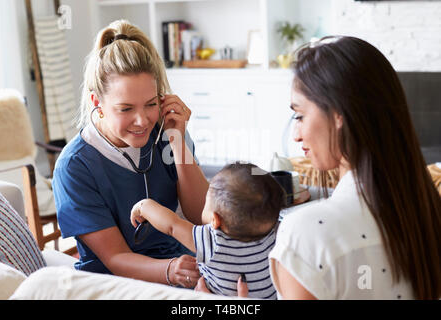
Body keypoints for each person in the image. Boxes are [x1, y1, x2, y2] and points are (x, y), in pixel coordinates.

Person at [267, 36, 441, 299]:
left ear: (339, 114)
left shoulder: (306, 234)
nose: (296, 134)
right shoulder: (428, 213)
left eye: (300, 115)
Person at [52, 20, 209, 288]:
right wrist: (171, 269)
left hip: (177, 269)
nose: (142, 121)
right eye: (125, 109)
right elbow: (115, 257)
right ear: (97, 104)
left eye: (150, 104)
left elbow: (200, 216)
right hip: (112, 283)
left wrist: (178, 140)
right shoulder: (74, 167)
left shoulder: (166, 133)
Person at [130, 162, 284, 299]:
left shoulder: (212, 242)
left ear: (215, 220)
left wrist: (145, 206)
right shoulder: (276, 232)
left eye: (206, 202)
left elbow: (172, 225)